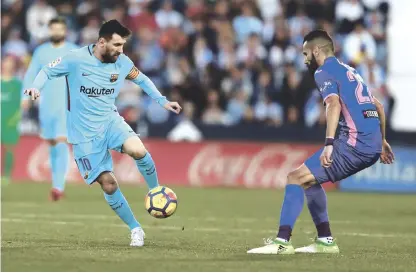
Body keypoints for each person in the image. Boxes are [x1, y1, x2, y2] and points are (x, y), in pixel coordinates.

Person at [24, 20, 182, 247]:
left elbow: (143, 79)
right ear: (101, 42)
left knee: (138, 149)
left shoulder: (123, 63)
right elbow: (47, 71)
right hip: (83, 135)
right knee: (109, 184)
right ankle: (136, 228)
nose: (121, 50)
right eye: (117, 45)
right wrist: (36, 87)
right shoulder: (75, 59)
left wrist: (163, 101)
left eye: (123, 45)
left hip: (110, 122)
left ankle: (156, 191)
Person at [247, 30, 394, 255]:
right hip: (370, 144)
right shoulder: (350, 71)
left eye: (306, 53)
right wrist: (382, 141)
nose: (305, 59)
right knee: (309, 181)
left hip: (354, 144)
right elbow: (379, 107)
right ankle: (325, 240)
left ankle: (282, 243)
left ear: (317, 51)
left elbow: (333, 104)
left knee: (294, 178)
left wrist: (329, 143)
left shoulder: (323, 71)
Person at [22, 17, 78, 201]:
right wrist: (26, 97)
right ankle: (56, 183)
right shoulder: (41, 51)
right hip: (46, 106)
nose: (56, 32)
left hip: (66, 104)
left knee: (61, 142)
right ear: (49, 31)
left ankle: (58, 187)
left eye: (60, 29)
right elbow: (32, 73)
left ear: (65, 31)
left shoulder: (73, 50)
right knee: (53, 145)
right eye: (53, 29)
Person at [1, 55, 22, 185]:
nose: (7, 64)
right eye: (5, 61)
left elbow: (22, 103)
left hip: (9, 121)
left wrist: (15, 117)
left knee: (9, 148)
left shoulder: (17, 84)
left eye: (10, 62)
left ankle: (6, 176)